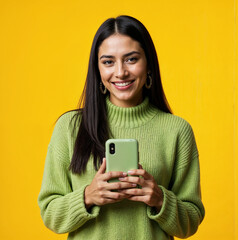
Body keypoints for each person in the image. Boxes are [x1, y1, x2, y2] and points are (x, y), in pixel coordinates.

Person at [38, 15, 205, 240]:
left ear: (148, 63)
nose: (120, 72)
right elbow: (49, 213)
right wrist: (87, 196)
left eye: (131, 59)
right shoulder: (70, 127)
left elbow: (190, 222)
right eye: (108, 62)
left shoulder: (177, 131)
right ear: (97, 69)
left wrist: (159, 199)